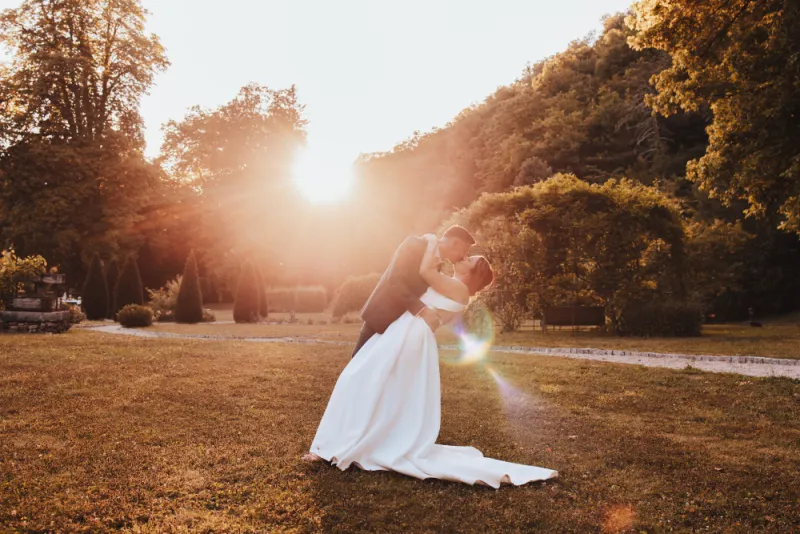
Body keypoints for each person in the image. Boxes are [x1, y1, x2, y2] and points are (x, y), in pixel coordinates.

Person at [305, 234, 558, 488]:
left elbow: (425, 271)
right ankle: (356, 438)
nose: (465, 257)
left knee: (363, 378)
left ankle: (351, 441)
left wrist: (431, 240)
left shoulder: (459, 290)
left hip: (409, 334)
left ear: (473, 274)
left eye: (470, 259)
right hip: (406, 330)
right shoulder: (454, 286)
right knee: (372, 382)